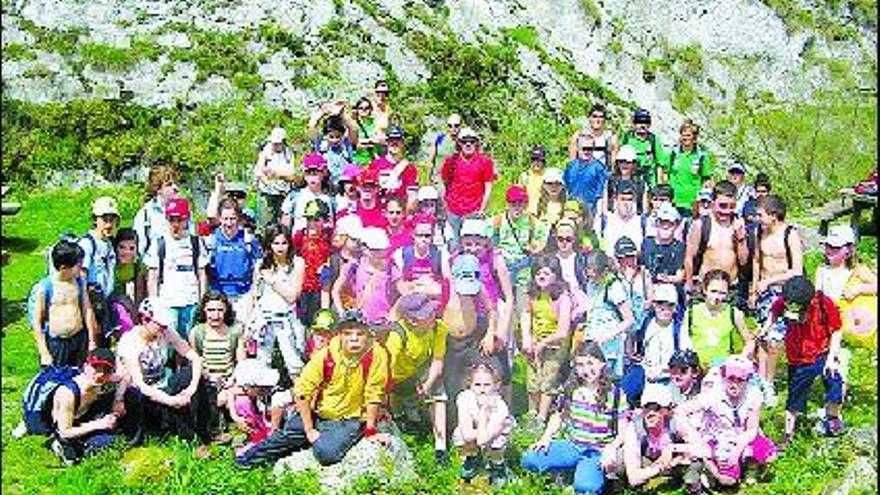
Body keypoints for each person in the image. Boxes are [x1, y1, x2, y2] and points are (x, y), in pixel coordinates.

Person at [235, 318, 390, 467]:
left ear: (368, 334)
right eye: (348, 333)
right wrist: (309, 430)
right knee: (286, 436)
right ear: (339, 335)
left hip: (349, 418)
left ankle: (325, 440)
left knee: (327, 454)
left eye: (360, 334)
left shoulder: (376, 355)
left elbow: (374, 393)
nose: (354, 339)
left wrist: (371, 429)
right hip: (317, 413)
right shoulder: (326, 355)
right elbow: (302, 392)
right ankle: (245, 460)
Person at [521, 340, 628, 495]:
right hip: (573, 445)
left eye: (591, 363)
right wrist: (546, 438)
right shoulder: (571, 389)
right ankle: (564, 470)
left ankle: (588, 473)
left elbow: (622, 431)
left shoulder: (616, 394)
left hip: (596, 451)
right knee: (529, 458)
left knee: (586, 488)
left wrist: (611, 449)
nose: (586, 370)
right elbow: (559, 416)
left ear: (602, 364)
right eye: (580, 365)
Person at [116, 298, 209, 452]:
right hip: (141, 393)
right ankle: (140, 437)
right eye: (160, 325)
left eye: (165, 325)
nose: (163, 328)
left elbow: (194, 358)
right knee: (137, 393)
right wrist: (171, 401)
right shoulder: (130, 342)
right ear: (145, 319)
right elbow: (139, 383)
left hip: (162, 384)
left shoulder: (166, 332)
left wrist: (191, 388)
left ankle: (202, 432)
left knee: (190, 374)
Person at [764, 276, 845, 448]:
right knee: (795, 395)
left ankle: (833, 418)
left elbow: (837, 329)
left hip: (822, 352)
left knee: (834, 381)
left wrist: (831, 358)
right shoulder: (784, 301)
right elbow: (773, 312)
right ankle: (788, 434)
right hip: (798, 357)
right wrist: (765, 329)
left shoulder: (823, 303)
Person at [675, 355, 777, 488]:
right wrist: (695, 438)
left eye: (740, 379)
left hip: (743, 436)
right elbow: (680, 411)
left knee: (770, 455)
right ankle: (712, 470)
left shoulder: (754, 394)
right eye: (731, 378)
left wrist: (736, 452)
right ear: (724, 377)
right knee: (727, 481)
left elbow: (752, 429)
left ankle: (750, 468)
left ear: (747, 380)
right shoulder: (713, 394)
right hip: (718, 439)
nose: (734, 384)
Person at [19, 348, 123, 465]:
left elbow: (125, 377)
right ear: (85, 367)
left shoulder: (104, 382)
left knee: (110, 440)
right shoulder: (68, 393)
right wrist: (98, 424)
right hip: (61, 426)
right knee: (81, 454)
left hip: (80, 416)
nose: (100, 374)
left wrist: (118, 401)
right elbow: (65, 431)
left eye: (106, 370)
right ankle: (54, 442)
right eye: (96, 368)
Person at [751, 194, 803, 404]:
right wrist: (754, 289)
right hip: (764, 291)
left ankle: (770, 382)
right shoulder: (758, 233)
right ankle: (762, 380)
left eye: (760, 214)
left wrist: (772, 280)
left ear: (773, 215)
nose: (757, 218)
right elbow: (756, 261)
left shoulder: (790, 234)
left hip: (785, 292)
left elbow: (797, 270)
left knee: (776, 340)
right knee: (763, 337)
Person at [442, 253, 502, 433]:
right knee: (451, 383)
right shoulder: (446, 287)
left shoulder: (479, 288)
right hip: (450, 343)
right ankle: (454, 426)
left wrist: (490, 333)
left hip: (471, 339)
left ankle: (489, 418)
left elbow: (492, 309)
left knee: (489, 370)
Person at [386, 293, 449, 462]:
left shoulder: (439, 328)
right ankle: (401, 417)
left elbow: (437, 361)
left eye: (432, 311)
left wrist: (427, 386)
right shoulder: (397, 333)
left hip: (420, 368)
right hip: (397, 374)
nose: (433, 316)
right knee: (398, 397)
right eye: (427, 314)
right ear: (412, 320)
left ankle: (440, 448)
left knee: (438, 394)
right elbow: (386, 365)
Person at [247, 224, 306, 384]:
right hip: (264, 319)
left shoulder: (297, 263)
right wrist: (249, 323)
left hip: (287, 319)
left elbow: (292, 296)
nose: (280, 247)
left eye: (283, 243)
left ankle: (301, 402)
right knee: (262, 363)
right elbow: (254, 295)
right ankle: (261, 403)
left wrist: (272, 280)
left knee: (294, 364)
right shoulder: (261, 264)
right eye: (275, 243)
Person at [145, 197, 208, 341]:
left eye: (179, 220)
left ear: (187, 220)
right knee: (167, 339)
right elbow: (152, 276)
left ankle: (186, 364)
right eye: (171, 219)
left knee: (189, 338)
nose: (175, 224)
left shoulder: (196, 243)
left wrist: (202, 299)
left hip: (190, 299)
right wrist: (154, 303)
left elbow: (202, 274)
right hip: (167, 300)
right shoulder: (159, 243)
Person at [521, 255, 574, 424]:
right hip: (536, 340)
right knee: (532, 378)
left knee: (548, 379)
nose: (541, 277)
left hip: (555, 344)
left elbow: (563, 331)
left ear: (556, 276)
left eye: (546, 273)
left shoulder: (562, 298)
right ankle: (531, 412)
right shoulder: (532, 295)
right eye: (538, 274)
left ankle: (541, 417)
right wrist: (526, 337)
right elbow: (526, 313)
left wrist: (543, 344)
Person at [621, 284, 692, 405]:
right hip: (648, 383)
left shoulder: (679, 329)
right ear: (654, 304)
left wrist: (667, 370)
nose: (664, 308)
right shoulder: (646, 324)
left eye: (669, 305)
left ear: (675, 307)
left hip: (670, 383)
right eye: (660, 304)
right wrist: (631, 353)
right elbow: (632, 334)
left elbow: (686, 358)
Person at [188, 291, 246, 441]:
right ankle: (211, 431)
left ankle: (243, 427)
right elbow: (195, 361)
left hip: (229, 379)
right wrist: (209, 377)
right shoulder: (197, 332)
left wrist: (231, 379)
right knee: (209, 399)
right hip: (207, 379)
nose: (215, 315)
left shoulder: (235, 331)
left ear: (226, 310)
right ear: (204, 311)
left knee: (237, 400)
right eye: (211, 310)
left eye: (220, 310)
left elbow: (241, 363)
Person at [32, 240, 99, 368]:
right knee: (57, 380)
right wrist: (44, 352)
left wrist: (91, 339)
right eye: (77, 264)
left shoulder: (79, 282)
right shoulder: (45, 288)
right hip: (57, 343)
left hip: (79, 338)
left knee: (80, 377)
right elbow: (37, 322)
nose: (81, 266)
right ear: (63, 267)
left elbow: (87, 309)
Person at [622, 383, 701, 492]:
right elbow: (633, 478)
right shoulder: (634, 427)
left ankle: (691, 485)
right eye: (646, 407)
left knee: (694, 461)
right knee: (619, 460)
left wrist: (672, 451)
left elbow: (703, 448)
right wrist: (660, 467)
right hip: (650, 463)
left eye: (656, 408)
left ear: (667, 410)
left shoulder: (677, 420)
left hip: (677, 462)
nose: (650, 413)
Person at [815, 224, 877, 350]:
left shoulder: (857, 270)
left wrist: (859, 289)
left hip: (854, 321)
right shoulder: (822, 270)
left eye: (836, 247)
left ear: (848, 250)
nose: (830, 250)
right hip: (830, 322)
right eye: (828, 246)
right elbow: (817, 296)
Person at [453, 363, 515, 487]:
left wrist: (484, 412)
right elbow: (467, 434)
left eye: (487, 385)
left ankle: (498, 466)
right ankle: (472, 458)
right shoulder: (464, 398)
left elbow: (483, 439)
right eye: (477, 384)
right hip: (478, 431)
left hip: (497, 431)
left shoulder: (500, 406)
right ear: (469, 385)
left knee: (496, 442)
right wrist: (478, 431)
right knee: (459, 435)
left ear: (496, 385)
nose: (482, 389)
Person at [684, 181, 749, 300]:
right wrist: (689, 285)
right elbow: (689, 257)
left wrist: (741, 239)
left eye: (732, 206)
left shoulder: (739, 224)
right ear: (713, 203)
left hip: (731, 289)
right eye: (723, 206)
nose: (727, 211)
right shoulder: (701, 224)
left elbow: (743, 261)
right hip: (704, 288)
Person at [577, 250, 634, 380]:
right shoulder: (590, 284)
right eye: (588, 274)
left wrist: (606, 336)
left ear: (603, 271)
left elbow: (629, 320)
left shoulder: (614, 286)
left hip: (609, 347)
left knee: (607, 382)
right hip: (592, 343)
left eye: (595, 275)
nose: (592, 279)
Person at [205, 198, 262, 323]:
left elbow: (257, 267)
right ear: (219, 218)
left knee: (242, 333)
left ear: (239, 219)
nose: (229, 223)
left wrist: (255, 294)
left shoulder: (249, 239)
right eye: (225, 219)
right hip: (218, 295)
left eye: (232, 218)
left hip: (243, 294)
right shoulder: (211, 240)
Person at [440, 127, 496, 247]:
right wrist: (446, 206)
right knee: (454, 246)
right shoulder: (451, 161)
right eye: (464, 141)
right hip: (453, 210)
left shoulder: (485, 162)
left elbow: (488, 187)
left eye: (472, 141)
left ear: (477, 143)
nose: (468, 144)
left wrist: (482, 209)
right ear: (459, 143)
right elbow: (445, 182)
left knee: (473, 247)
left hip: (474, 211)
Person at [688, 270, 755, 368]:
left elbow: (750, 341)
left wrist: (740, 360)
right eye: (713, 291)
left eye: (722, 293)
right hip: (694, 369)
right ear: (705, 290)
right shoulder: (691, 312)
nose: (717, 297)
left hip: (721, 369)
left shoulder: (733, 313)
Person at [79, 196, 120, 342]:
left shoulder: (109, 243)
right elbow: (81, 280)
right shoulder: (87, 244)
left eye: (112, 219)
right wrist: (88, 313)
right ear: (95, 219)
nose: (109, 224)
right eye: (104, 219)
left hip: (104, 305)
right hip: (90, 305)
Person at [332, 227, 393, 325]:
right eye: (376, 250)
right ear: (364, 248)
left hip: (385, 323)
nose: (382, 253)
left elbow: (400, 291)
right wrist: (341, 312)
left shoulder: (392, 268)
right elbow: (336, 290)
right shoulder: (353, 266)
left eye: (383, 250)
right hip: (362, 323)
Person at [290, 199, 333, 326]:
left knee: (318, 322)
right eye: (309, 219)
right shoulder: (299, 236)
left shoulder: (328, 236)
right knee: (301, 323)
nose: (312, 223)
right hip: (301, 287)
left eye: (316, 219)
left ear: (325, 221)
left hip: (320, 288)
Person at [660, 120, 713, 217]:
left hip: (693, 203)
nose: (685, 138)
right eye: (683, 135)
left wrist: (705, 201)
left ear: (694, 137)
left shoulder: (702, 156)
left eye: (688, 135)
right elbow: (664, 172)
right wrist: (665, 192)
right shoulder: (673, 153)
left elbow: (707, 179)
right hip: (674, 201)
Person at [391, 213, 450, 299]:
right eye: (419, 235)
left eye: (427, 236)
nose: (423, 239)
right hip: (408, 302)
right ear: (413, 234)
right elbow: (400, 287)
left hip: (434, 301)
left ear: (433, 235)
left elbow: (446, 286)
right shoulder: (400, 254)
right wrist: (418, 283)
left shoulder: (442, 254)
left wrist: (418, 287)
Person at [228, 358, 281, 453]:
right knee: (242, 401)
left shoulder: (275, 395)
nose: (244, 390)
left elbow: (275, 427)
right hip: (262, 422)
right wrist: (236, 418)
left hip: (275, 425)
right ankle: (253, 435)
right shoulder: (250, 391)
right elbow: (231, 391)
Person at [133, 164, 180, 258]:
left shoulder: (185, 213)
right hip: (156, 269)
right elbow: (139, 251)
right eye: (169, 185)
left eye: (176, 184)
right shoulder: (145, 215)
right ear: (158, 189)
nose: (176, 188)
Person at [594, 179, 647, 262]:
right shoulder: (604, 221)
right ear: (616, 199)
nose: (626, 204)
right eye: (623, 199)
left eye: (630, 199)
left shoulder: (642, 222)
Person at [642, 203, 685, 302]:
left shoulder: (679, 247)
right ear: (656, 223)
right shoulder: (647, 243)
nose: (665, 226)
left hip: (672, 294)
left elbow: (680, 276)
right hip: (650, 291)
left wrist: (666, 279)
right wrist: (649, 296)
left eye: (670, 223)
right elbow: (645, 271)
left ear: (676, 225)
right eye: (662, 222)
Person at [308, 99, 359, 183]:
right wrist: (323, 111)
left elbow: (354, 128)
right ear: (325, 135)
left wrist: (342, 113)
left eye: (338, 137)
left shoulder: (346, 146)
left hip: (346, 186)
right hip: (328, 186)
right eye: (331, 137)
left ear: (343, 135)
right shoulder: (321, 146)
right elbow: (312, 125)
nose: (335, 140)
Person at [254, 127, 296, 225]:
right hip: (267, 193)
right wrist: (267, 181)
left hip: (283, 194)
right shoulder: (265, 151)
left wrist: (276, 174)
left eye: (278, 143)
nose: (275, 145)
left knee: (284, 223)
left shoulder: (289, 153)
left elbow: (291, 175)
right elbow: (260, 170)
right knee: (267, 223)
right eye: (274, 143)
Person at [110, 228, 147, 338]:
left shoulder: (137, 264)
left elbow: (139, 290)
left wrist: (136, 311)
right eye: (122, 247)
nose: (126, 252)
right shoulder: (111, 263)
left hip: (122, 297)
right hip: (107, 297)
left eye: (131, 248)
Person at [369, 125, 418, 201]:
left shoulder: (410, 168)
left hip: (399, 209)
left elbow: (411, 196)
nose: (394, 143)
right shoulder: (375, 164)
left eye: (398, 140)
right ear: (386, 142)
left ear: (403, 143)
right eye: (391, 140)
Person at [564, 135, 609, 218]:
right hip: (572, 208)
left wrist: (600, 215)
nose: (587, 151)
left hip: (591, 209)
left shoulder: (599, 168)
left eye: (590, 148)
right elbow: (565, 189)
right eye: (584, 148)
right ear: (578, 148)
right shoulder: (570, 166)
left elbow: (601, 194)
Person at [619, 108, 666, 186]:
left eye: (646, 122)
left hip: (649, 180)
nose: (642, 125)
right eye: (639, 122)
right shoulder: (627, 137)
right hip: (630, 179)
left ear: (649, 124)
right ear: (634, 124)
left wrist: (659, 185)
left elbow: (660, 163)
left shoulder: (653, 139)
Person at [567, 103, 618, 168]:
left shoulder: (611, 137)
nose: (597, 120)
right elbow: (572, 162)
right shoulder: (578, 136)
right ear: (589, 118)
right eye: (594, 116)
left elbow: (614, 164)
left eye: (601, 117)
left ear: (604, 119)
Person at [601, 145, 647, 215]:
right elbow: (605, 207)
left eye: (628, 162)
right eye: (621, 161)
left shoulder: (641, 184)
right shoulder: (610, 182)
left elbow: (644, 209)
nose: (624, 165)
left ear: (634, 164)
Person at [533, 168, 567, 252]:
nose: (553, 187)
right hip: (541, 249)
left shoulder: (567, 205)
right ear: (544, 185)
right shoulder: (537, 205)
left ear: (563, 186)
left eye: (558, 184)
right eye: (549, 183)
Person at [427, 113, 463, 185]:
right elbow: (430, 161)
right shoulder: (439, 139)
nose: (453, 129)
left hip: (456, 181)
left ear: (461, 126)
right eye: (450, 126)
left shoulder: (464, 142)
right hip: (438, 180)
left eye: (456, 125)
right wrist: (428, 181)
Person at [351, 96, 383, 166]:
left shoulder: (375, 122)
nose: (364, 110)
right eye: (361, 108)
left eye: (367, 108)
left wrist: (365, 141)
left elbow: (381, 139)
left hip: (372, 160)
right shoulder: (353, 124)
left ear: (371, 109)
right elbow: (350, 142)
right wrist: (370, 141)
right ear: (357, 110)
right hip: (357, 161)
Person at [519, 145, 547, 216]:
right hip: (527, 214)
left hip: (544, 216)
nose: (536, 163)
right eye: (534, 160)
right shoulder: (525, 176)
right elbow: (519, 197)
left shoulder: (548, 176)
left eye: (539, 160)